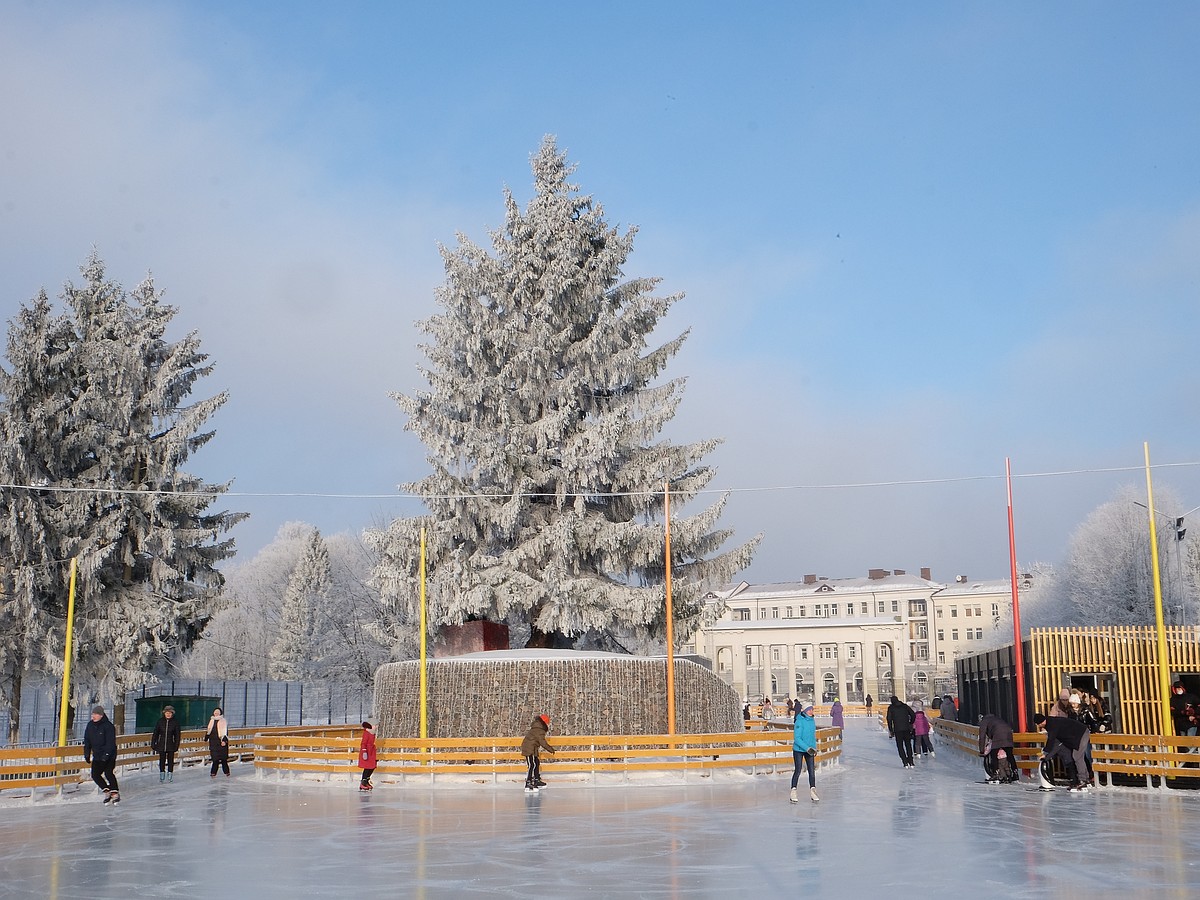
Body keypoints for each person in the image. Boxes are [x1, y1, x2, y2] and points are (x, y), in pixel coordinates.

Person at [1034, 712, 1091, 790]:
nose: (1038, 726)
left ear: (1041, 722)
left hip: (1082, 733)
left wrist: (1045, 753)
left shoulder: (1052, 724)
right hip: (1076, 735)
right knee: (1076, 756)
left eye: (1038, 724)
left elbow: (1051, 740)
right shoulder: (1050, 723)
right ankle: (1085, 779)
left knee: (1077, 756)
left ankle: (1083, 780)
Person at [83, 704, 120, 804]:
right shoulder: (90, 725)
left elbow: (110, 742)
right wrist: (87, 753)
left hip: (109, 755)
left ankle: (115, 793)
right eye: (92, 714)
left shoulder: (108, 726)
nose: (93, 716)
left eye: (95, 714)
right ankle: (107, 790)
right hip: (97, 755)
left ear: (101, 715)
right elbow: (87, 740)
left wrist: (107, 755)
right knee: (95, 775)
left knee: (108, 772)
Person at [790, 702, 819, 803]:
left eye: (812, 709)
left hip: (810, 749)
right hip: (799, 750)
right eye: (810, 709)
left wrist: (814, 748)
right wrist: (807, 748)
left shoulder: (812, 720)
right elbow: (797, 738)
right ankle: (793, 791)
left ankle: (813, 792)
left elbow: (812, 736)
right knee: (798, 770)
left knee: (812, 771)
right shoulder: (799, 721)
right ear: (805, 711)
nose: (812, 711)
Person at [978, 713, 1017, 783]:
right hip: (1008, 733)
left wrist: (981, 751)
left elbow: (982, 736)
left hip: (997, 734)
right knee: (1010, 755)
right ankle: (1015, 773)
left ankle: (996, 773)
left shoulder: (984, 721)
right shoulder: (996, 718)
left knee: (994, 754)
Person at [521, 714, 555, 793]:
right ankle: (528, 782)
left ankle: (536, 780)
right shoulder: (539, 730)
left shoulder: (537, 727)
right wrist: (550, 749)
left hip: (533, 748)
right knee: (532, 765)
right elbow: (542, 742)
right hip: (529, 748)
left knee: (536, 762)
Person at [151, 704, 181, 783]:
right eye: (167, 713)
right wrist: (153, 743)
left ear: (172, 714)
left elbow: (177, 735)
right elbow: (156, 733)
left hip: (171, 744)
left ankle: (170, 774)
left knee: (170, 760)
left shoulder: (175, 722)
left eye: (170, 713)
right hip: (161, 744)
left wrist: (176, 745)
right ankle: (162, 774)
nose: (168, 714)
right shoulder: (160, 721)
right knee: (162, 760)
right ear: (164, 713)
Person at [886, 696, 916, 768]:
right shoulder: (905, 706)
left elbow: (889, 719)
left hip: (897, 729)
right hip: (906, 728)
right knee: (908, 745)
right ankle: (911, 761)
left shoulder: (891, 708)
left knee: (900, 746)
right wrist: (910, 722)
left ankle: (905, 762)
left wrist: (891, 730)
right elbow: (913, 714)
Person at [206, 707, 230, 777]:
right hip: (213, 742)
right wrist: (206, 736)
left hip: (221, 742)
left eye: (217, 712)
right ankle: (213, 772)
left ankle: (226, 772)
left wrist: (224, 740)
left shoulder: (223, 721)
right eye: (215, 712)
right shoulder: (211, 721)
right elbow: (209, 730)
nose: (216, 714)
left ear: (220, 713)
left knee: (223, 759)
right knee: (215, 759)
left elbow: (225, 732)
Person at [357, 721, 377, 791]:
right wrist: (364, 751)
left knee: (372, 767)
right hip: (367, 752)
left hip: (371, 752)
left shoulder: (372, 732)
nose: (376, 727)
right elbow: (363, 743)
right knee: (367, 767)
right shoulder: (366, 733)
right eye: (375, 725)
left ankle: (366, 781)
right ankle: (363, 782)